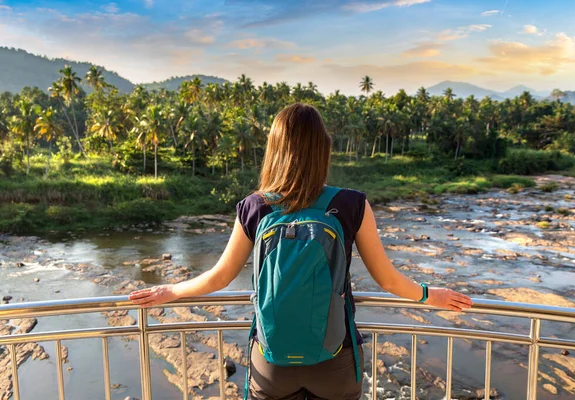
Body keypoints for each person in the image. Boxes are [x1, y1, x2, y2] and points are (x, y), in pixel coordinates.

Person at [129, 103, 473, 400]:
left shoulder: (254, 207)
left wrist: (170, 291)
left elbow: (220, 276)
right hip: (335, 359)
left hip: (271, 360)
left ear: (275, 150)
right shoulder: (351, 203)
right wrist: (431, 295)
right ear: (322, 149)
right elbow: (387, 279)